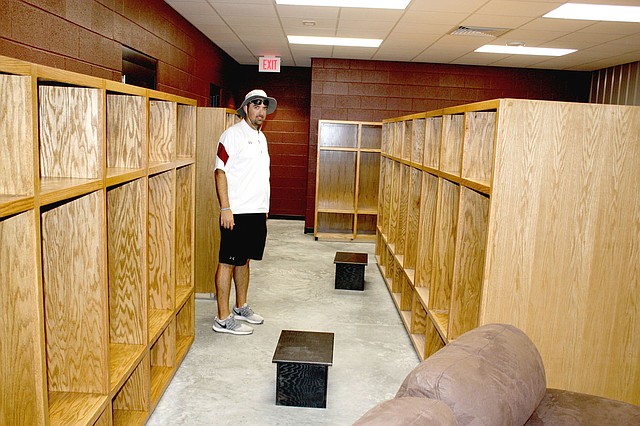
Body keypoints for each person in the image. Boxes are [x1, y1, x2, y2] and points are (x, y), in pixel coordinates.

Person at [212, 89, 277, 335]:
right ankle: (222, 318)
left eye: (264, 106)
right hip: (236, 212)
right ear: (246, 108)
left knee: (245, 260)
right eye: (256, 105)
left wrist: (264, 208)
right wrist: (225, 208)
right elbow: (220, 172)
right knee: (227, 262)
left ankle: (240, 307)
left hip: (256, 211)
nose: (261, 111)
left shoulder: (262, 138)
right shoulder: (232, 135)